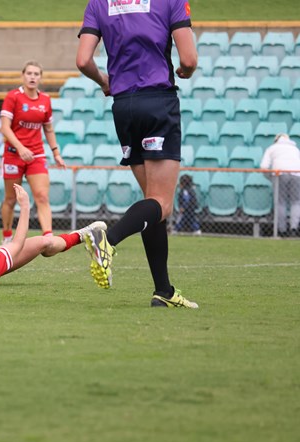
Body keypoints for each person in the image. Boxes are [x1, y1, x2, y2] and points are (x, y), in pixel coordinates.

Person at [76, 0, 199, 308]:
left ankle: (164, 291)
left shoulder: (98, 4)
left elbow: (82, 60)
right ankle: (108, 239)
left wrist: (104, 81)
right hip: (157, 101)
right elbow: (189, 58)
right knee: (162, 203)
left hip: (124, 107)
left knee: (151, 206)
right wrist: (185, 70)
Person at [0, 61, 66, 243]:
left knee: (42, 196)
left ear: (40, 78)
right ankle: (7, 236)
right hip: (13, 154)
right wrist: (20, 148)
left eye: (36, 74)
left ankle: (48, 237)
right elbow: (5, 128)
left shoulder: (45, 100)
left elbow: (49, 129)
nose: (32, 77)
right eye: (29, 73)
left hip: (36, 154)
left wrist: (56, 153)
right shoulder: (13, 97)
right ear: (23, 76)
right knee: (11, 199)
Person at [260, 133, 300, 237]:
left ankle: (281, 230)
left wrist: (271, 178)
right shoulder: (295, 149)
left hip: (280, 175)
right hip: (296, 175)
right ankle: (294, 229)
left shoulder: (272, 148)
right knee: (296, 202)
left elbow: (264, 166)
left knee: (280, 202)